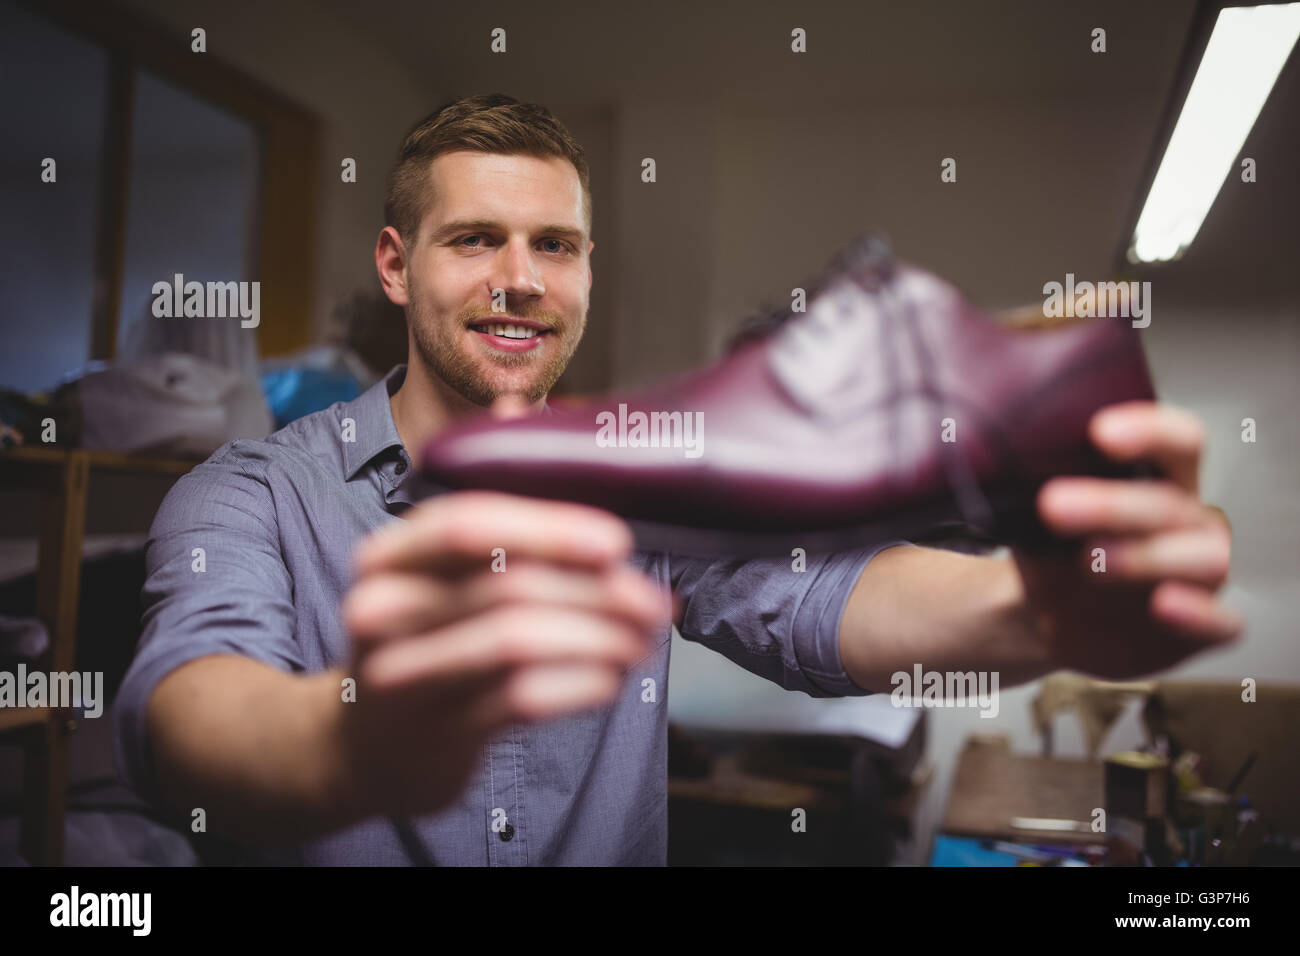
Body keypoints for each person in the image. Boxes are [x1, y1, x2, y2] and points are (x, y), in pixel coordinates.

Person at [113, 94, 1239, 865]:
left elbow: (820, 597)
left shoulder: (640, 480)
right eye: (475, 241)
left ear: (589, 270)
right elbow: (189, 713)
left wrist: (1036, 606)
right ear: (395, 265)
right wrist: (352, 739)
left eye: (553, 245)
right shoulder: (247, 491)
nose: (519, 281)